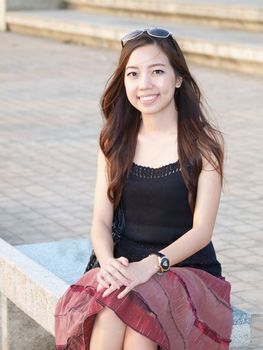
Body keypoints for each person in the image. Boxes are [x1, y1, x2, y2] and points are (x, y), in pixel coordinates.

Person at [55, 27, 233, 350]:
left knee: (141, 325)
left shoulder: (204, 144)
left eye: (157, 72)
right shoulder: (114, 141)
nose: (145, 84)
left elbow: (202, 231)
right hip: (125, 268)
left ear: (178, 78)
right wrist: (108, 263)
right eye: (134, 74)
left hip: (183, 269)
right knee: (109, 313)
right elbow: (101, 222)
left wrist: (150, 266)